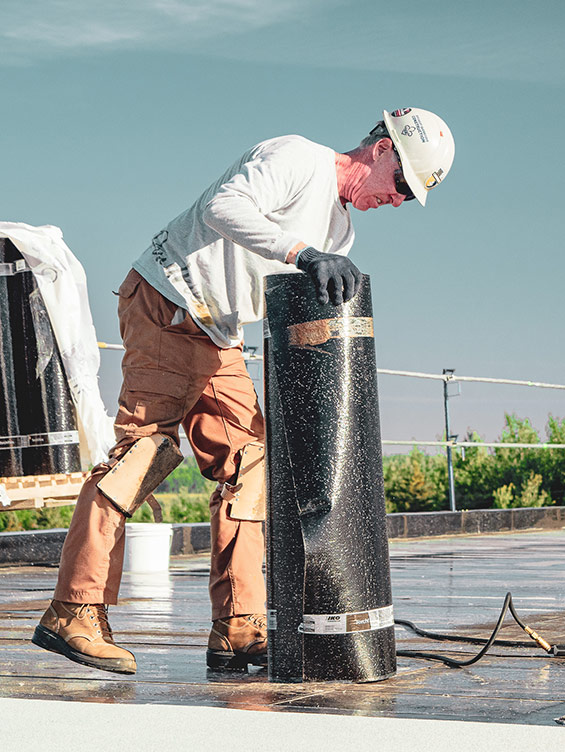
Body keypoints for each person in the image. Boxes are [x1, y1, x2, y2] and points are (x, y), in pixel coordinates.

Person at [31, 107, 455, 675]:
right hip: (168, 301)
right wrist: (304, 255)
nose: (399, 200)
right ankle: (73, 611)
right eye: (402, 183)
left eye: (409, 196)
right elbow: (221, 207)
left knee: (250, 464)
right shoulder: (297, 157)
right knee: (143, 452)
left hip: (218, 333)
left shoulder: (341, 233)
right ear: (381, 150)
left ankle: (237, 625)